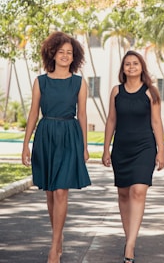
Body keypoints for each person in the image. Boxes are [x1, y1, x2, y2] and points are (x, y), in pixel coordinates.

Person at [21, 31, 91, 263]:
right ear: (52, 53)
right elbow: (33, 113)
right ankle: (58, 238)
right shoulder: (40, 81)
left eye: (69, 52)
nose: (65, 55)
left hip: (69, 136)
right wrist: (25, 144)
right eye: (61, 51)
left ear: (74, 57)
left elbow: (82, 114)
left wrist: (84, 146)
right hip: (46, 135)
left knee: (61, 190)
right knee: (51, 192)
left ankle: (54, 248)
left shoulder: (79, 83)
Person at [102, 50, 164, 263]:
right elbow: (111, 120)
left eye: (135, 63)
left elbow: (156, 122)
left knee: (138, 191)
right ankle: (129, 236)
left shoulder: (151, 92)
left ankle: (130, 245)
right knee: (122, 194)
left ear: (141, 67)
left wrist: (161, 151)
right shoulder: (116, 92)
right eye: (127, 64)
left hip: (144, 148)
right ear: (123, 69)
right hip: (121, 148)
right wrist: (105, 148)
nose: (131, 67)